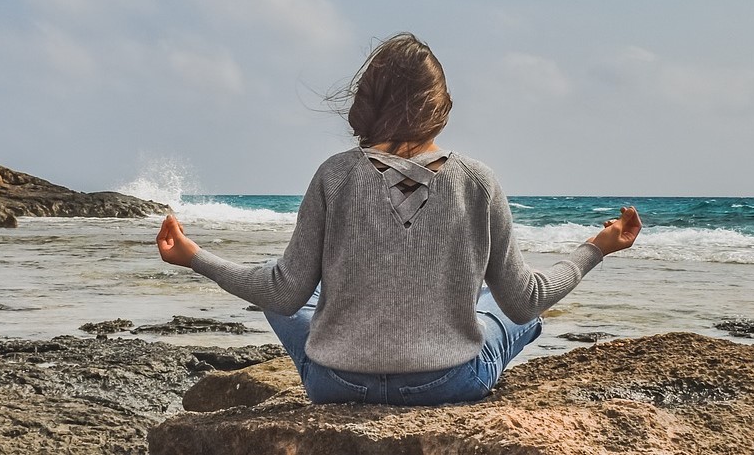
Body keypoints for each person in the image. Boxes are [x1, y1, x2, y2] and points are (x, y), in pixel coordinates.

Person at [155, 33, 640, 406]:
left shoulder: (334, 175)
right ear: (439, 105)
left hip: (336, 385)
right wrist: (597, 247)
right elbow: (526, 298)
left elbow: (283, 293)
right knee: (505, 309)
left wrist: (194, 256)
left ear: (368, 100)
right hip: (448, 383)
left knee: (283, 284)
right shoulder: (478, 181)